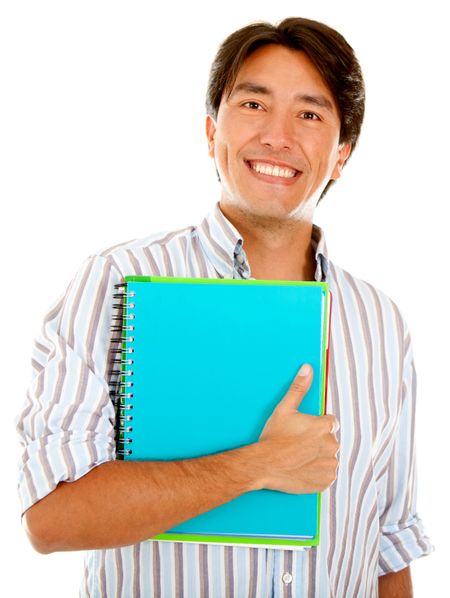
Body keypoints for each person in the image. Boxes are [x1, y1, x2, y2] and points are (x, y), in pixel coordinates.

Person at [16, 16, 433, 598]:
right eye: (254, 105)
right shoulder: (119, 282)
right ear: (211, 131)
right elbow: (50, 518)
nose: (278, 136)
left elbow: (389, 544)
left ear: (341, 155)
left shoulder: (381, 323)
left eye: (309, 114)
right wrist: (257, 465)